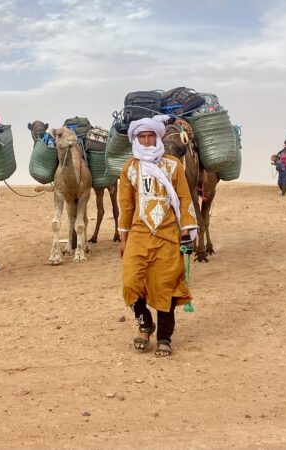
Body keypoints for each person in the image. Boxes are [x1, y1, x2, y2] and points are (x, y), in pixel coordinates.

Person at [118, 115, 198, 357]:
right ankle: (145, 324)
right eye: (142, 137)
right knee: (131, 282)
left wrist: (187, 233)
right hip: (140, 233)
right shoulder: (130, 168)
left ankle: (164, 337)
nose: (146, 140)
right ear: (136, 139)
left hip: (168, 234)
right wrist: (123, 240)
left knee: (165, 285)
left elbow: (185, 199)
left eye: (150, 135)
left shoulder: (173, 165)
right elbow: (126, 205)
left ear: (157, 136)